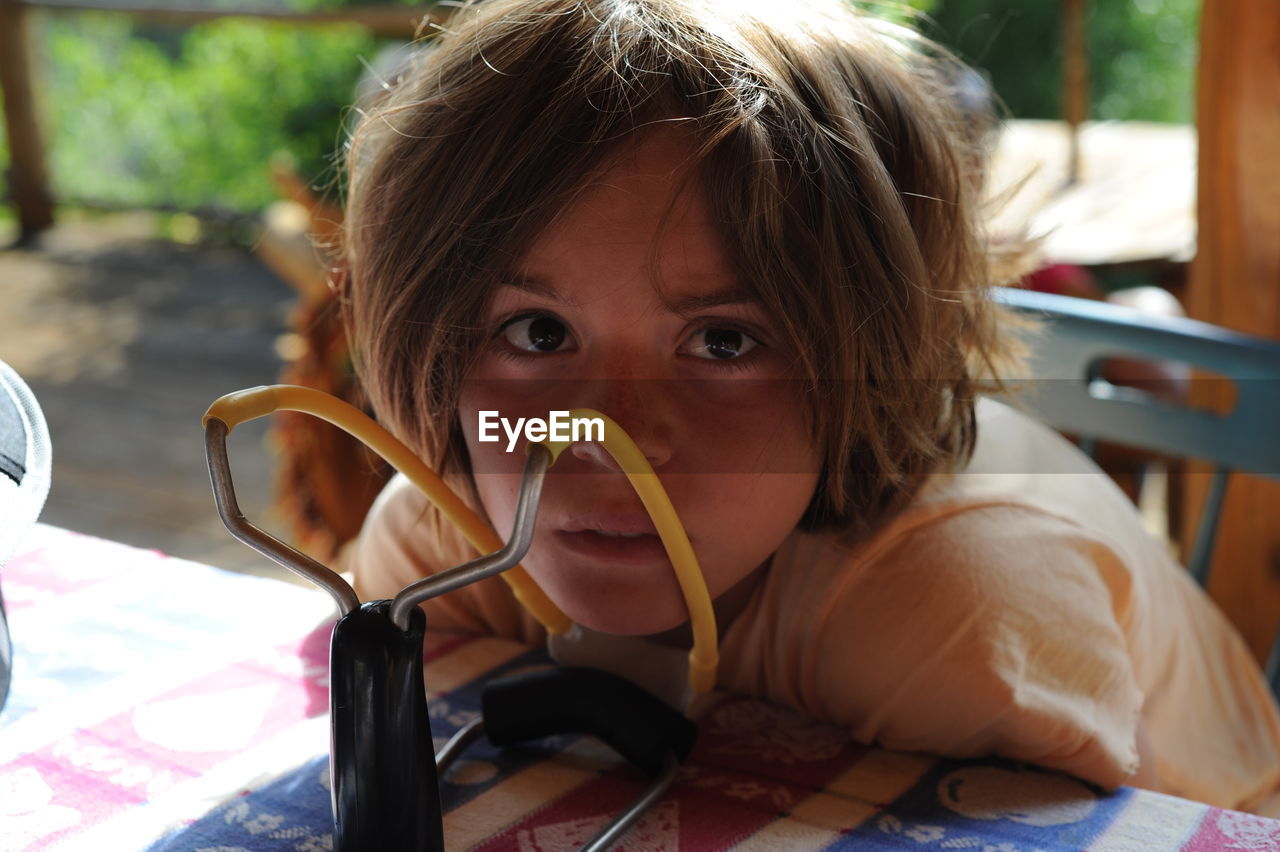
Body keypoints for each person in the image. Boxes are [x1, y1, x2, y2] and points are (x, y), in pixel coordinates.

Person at [338, 0, 1280, 815]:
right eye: (538, 333)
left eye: (724, 342)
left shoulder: (956, 618)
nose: (612, 441)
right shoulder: (446, 539)